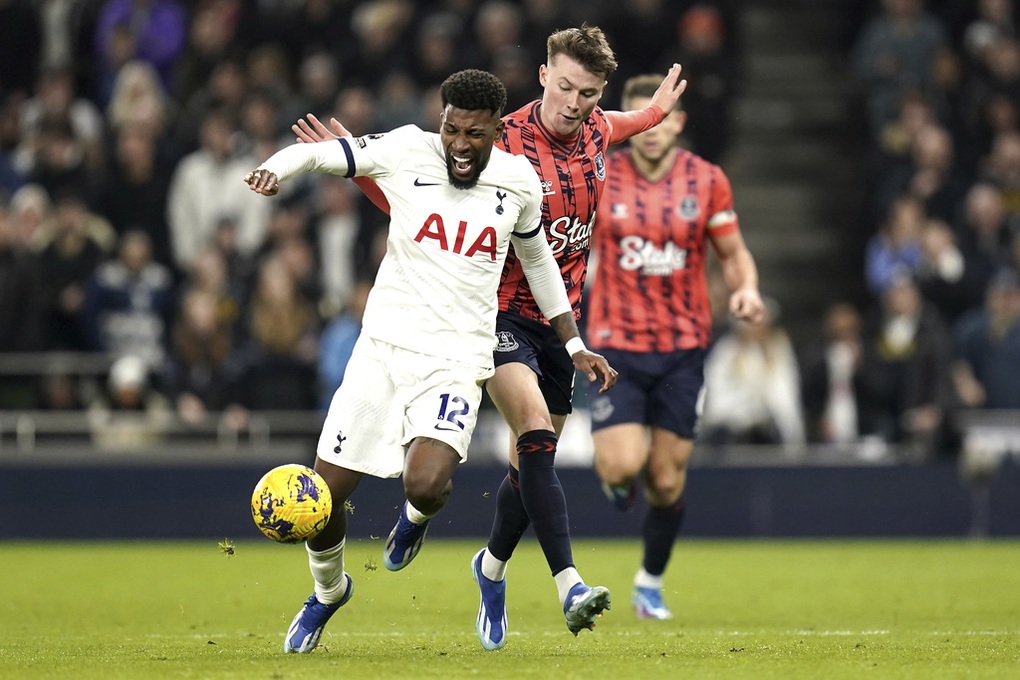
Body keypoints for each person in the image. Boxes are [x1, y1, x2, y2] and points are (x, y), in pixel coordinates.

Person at [293, 25, 687, 649]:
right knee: (531, 430)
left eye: (587, 93)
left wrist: (656, 111)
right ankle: (570, 585)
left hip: (559, 321)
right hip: (491, 315)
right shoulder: (501, 142)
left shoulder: (597, 130)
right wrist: (357, 170)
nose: (572, 103)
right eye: (563, 87)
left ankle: (492, 566)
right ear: (541, 77)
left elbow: (626, 122)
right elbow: (422, 206)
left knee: (530, 466)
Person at [244, 68, 616, 654]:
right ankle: (329, 590)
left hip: (456, 360)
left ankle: (415, 519)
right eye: (452, 129)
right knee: (323, 499)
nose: (460, 146)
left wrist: (572, 342)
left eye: (474, 134)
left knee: (426, 481)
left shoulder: (518, 181)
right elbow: (322, 154)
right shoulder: (404, 149)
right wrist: (277, 168)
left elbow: (540, 265)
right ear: (440, 119)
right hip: (382, 353)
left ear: (497, 130)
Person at [582, 74, 765, 620]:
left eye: (662, 120)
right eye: (643, 121)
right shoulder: (599, 176)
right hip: (617, 347)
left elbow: (732, 254)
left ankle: (650, 582)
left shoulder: (706, 180)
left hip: (684, 348)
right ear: (630, 125)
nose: (653, 131)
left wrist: (747, 290)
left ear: (677, 122)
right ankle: (619, 485)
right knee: (621, 466)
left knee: (664, 479)